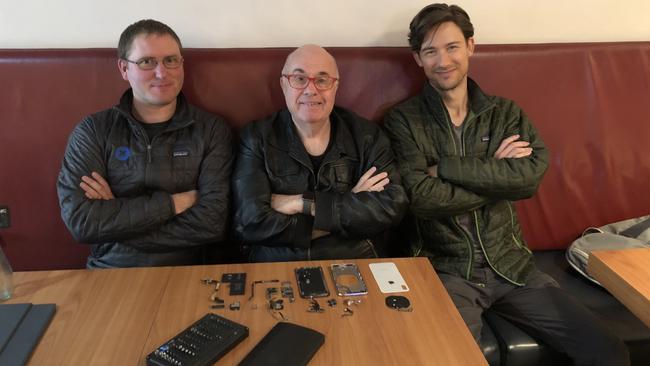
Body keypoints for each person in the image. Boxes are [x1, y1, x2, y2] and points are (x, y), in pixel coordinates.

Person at [384, 4, 629, 365]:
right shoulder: (403, 120)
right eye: (430, 51)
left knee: (608, 350)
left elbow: (528, 178)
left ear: (470, 46)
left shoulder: (506, 113)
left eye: (452, 46)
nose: (443, 60)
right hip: (446, 270)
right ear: (417, 58)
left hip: (513, 267)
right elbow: (422, 198)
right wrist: (497, 173)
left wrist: (446, 168)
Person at [57, 19, 233, 268]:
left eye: (171, 60)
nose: (162, 73)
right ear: (123, 68)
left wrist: (115, 221)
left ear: (182, 65)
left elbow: (212, 222)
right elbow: (83, 223)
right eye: (146, 62)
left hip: (190, 271)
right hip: (110, 270)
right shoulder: (93, 131)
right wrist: (175, 203)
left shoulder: (211, 130)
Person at [232, 44, 408, 262]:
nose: (310, 89)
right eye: (299, 79)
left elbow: (391, 206)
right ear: (283, 84)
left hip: (355, 257)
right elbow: (249, 222)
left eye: (322, 80)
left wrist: (300, 203)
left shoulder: (367, 136)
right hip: (275, 261)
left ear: (336, 86)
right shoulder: (256, 137)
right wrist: (350, 203)